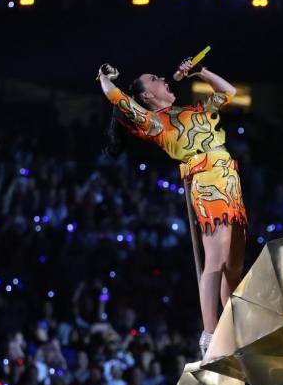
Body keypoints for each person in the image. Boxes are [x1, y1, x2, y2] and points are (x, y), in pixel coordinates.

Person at [97, 56, 247, 358]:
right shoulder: (155, 122)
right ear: (148, 95)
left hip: (230, 183)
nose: (163, 79)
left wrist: (200, 71)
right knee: (215, 262)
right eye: (155, 78)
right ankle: (210, 335)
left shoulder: (192, 110)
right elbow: (117, 98)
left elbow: (228, 92)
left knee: (234, 267)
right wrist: (103, 76)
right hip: (207, 184)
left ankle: (234, 329)